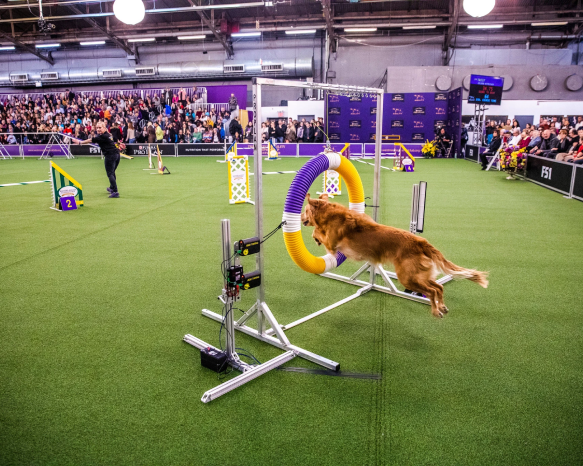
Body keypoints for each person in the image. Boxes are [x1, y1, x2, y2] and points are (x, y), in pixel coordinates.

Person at [72, 121, 121, 198]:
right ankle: (112, 188)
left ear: (104, 128)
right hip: (117, 155)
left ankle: (115, 191)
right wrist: (120, 144)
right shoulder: (108, 134)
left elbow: (90, 140)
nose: (98, 129)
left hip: (110, 155)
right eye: (97, 128)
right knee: (112, 172)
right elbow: (115, 139)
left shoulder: (102, 136)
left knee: (110, 173)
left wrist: (80, 142)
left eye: (100, 127)